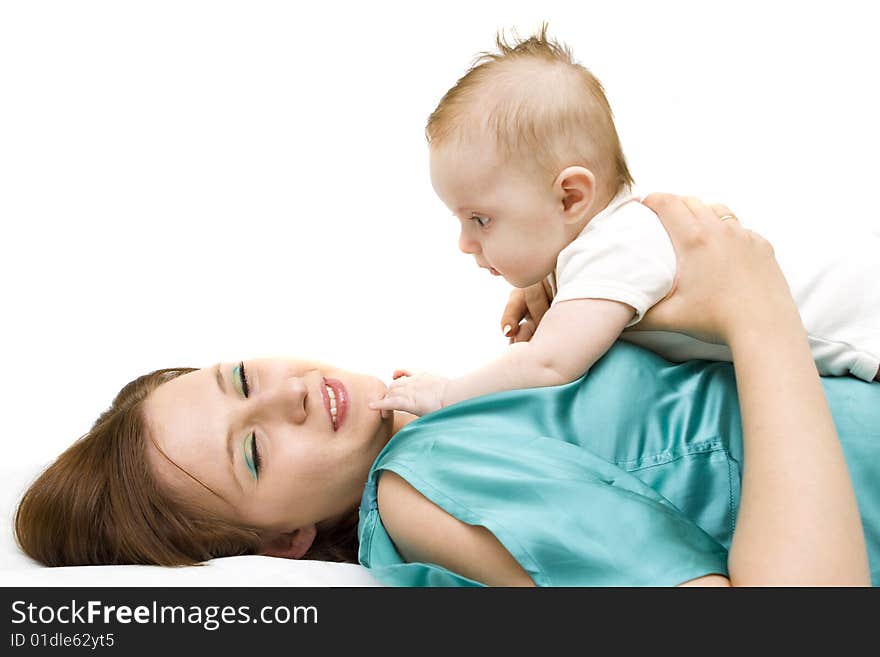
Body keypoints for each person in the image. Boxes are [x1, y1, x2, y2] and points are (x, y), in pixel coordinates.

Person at [13, 194, 877, 586]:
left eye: (242, 377)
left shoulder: (450, 425)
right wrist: (755, 307)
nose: (287, 396)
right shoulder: (418, 479)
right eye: (254, 447)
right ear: (282, 541)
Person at [369, 26, 880, 419]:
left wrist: (444, 393)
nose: (465, 243)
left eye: (480, 219)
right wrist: (546, 279)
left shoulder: (614, 250)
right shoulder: (613, 240)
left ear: (571, 197)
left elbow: (549, 363)